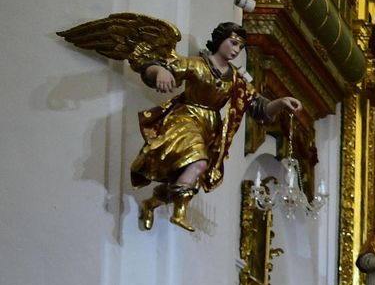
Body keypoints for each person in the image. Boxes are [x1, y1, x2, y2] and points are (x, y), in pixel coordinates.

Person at [61, 18, 301, 231]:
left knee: (189, 174)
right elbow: (156, 67)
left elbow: (259, 108)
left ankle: (152, 203)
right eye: (233, 43)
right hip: (186, 118)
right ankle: (179, 213)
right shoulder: (197, 64)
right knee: (198, 164)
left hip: (209, 128)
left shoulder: (236, 80)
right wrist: (159, 72)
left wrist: (280, 102)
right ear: (220, 41)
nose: (236, 50)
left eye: (240, 46)